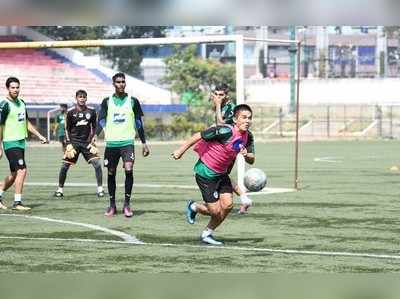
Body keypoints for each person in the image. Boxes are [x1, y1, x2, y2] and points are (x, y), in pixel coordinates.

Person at [172, 104, 255, 245]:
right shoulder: (224, 131)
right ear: (235, 119)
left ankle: (207, 234)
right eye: (244, 117)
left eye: (250, 118)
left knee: (228, 205)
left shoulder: (248, 137)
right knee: (215, 211)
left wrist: (246, 155)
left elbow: (252, 159)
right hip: (205, 173)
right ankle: (194, 207)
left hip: (221, 174)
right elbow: (198, 135)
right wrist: (180, 151)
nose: (247, 121)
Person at [97, 73, 150, 217]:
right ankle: (112, 205)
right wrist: (94, 138)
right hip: (112, 143)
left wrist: (144, 143)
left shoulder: (133, 101)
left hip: (127, 142)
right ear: (113, 84)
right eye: (118, 82)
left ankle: (127, 204)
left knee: (129, 168)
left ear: (125, 84)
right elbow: (100, 120)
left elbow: (139, 123)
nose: (121, 84)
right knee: (111, 173)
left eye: (123, 82)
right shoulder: (106, 101)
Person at [0, 77, 47, 211]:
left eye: (17, 87)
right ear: (8, 88)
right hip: (10, 142)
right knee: (22, 170)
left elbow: (26, 123)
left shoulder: (22, 103)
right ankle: (17, 202)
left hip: (21, 143)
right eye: (13, 87)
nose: (15, 90)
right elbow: (0, 126)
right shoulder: (4, 105)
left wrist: (39, 136)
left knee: (15, 174)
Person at [211, 84, 253, 214]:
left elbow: (221, 123)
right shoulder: (223, 106)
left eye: (221, 95)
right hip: (223, 144)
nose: (218, 97)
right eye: (216, 94)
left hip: (232, 143)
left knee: (221, 174)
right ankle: (243, 199)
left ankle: (240, 199)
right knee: (222, 175)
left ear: (226, 96)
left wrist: (217, 105)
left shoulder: (230, 108)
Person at [53, 90, 104, 198]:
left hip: (87, 143)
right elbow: (67, 129)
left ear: (86, 98)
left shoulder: (92, 111)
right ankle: (60, 190)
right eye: (80, 97)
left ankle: (100, 189)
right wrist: (68, 143)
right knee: (65, 165)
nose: (82, 99)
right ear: (76, 98)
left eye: (84, 97)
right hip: (74, 143)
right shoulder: (70, 112)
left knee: (97, 164)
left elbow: (95, 126)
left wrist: (94, 138)